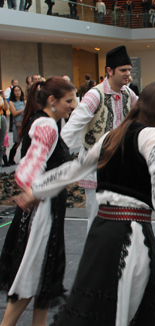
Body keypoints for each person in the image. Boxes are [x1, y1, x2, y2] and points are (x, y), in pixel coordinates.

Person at [20, 81, 155, 326]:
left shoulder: (112, 135)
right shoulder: (153, 134)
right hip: (130, 237)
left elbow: (75, 168)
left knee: (95, 308)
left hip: (101, 235)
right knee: (123, 310)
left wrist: (37, 189)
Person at [0, 77, 75, 326]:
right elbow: (29, 167)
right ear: (52, 101)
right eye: (69, 100)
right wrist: (34, 192)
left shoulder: (44, 122)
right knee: (30, 277)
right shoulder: (46, 125)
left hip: (46, 209)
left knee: (40, 278)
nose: (73, 105)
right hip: (43, 213)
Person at [61, 45, 138, 232]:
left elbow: (144, 116)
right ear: (109, 71)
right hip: (96, 164)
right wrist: (56, 152)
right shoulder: (95, 95)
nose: (127, 74)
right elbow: (73, 125)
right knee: (96, 215)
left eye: (129, 69)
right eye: (123, 70)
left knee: (121, 213)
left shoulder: (128, 93)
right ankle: (94, 258)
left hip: (119, 163)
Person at [8, 85, 25, 165]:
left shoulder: (24, 101)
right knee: (17, 142)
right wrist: (23, 110)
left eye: (19, 90)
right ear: (13, 93)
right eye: (16, 91)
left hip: (25, 123)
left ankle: (24, 158)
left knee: (25, 142)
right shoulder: (11, 102)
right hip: (17, 124)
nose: (18, 92)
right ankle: (11, 159)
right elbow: (14, 113)